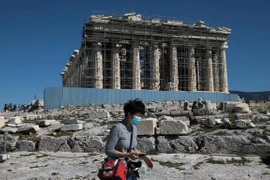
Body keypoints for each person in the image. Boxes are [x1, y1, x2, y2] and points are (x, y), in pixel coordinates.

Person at [105, 98, 153, 180]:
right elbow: (109, 150)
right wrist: (127, 155)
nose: (139, 118)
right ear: (129, 114)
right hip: (116, 169)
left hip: (129, 168)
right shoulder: (117, 128)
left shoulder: (134, 128)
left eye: (141, 116)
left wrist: (144, 157)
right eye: (138, 115)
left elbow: (132, 149)